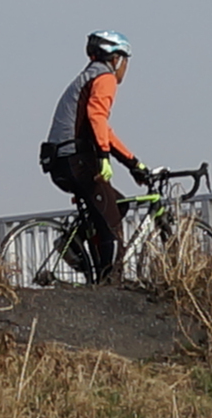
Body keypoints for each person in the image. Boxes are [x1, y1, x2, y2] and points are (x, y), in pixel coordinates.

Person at [40, 30, 150, 283]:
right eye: (126, 61)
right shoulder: (104, 77)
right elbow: (97, 117)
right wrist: (103, 158)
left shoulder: (87, 77)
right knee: (110, 221)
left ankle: (76, 242)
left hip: (60, 160)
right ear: (116, 59)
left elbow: (102, 130)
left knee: (116, 204)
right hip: (75, 158)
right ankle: (110, 284)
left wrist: (133, 163)